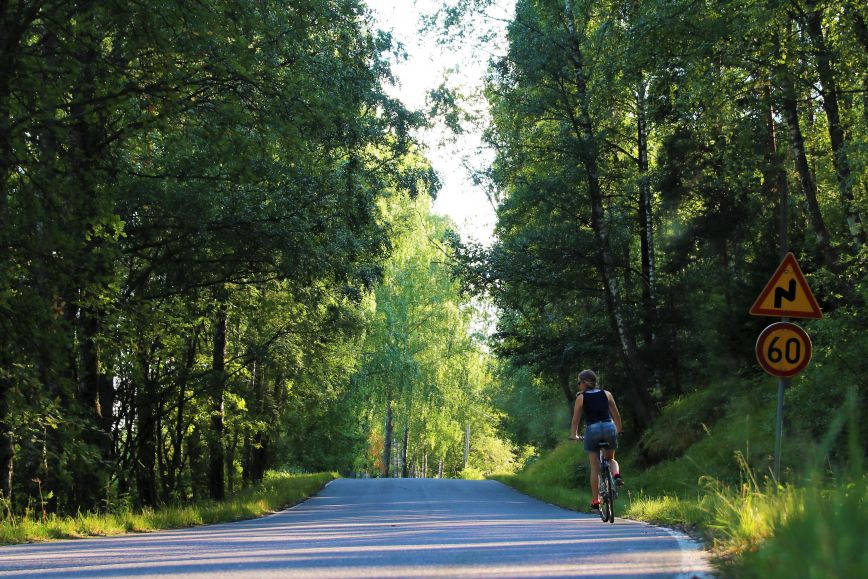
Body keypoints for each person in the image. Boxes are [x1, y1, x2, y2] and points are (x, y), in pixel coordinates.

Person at [569, 369, 623, 511]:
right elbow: (616, 416)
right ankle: (616, 475)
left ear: (584, 383)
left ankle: (595, 500)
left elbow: (575, 421)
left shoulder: (581, 397)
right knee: (611, 459)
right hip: (609, 427)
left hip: (592, 430)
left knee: (595, 467)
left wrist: (574, 436)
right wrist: (618, 430)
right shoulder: (607, 394)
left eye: (579, 382)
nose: (578, 385)